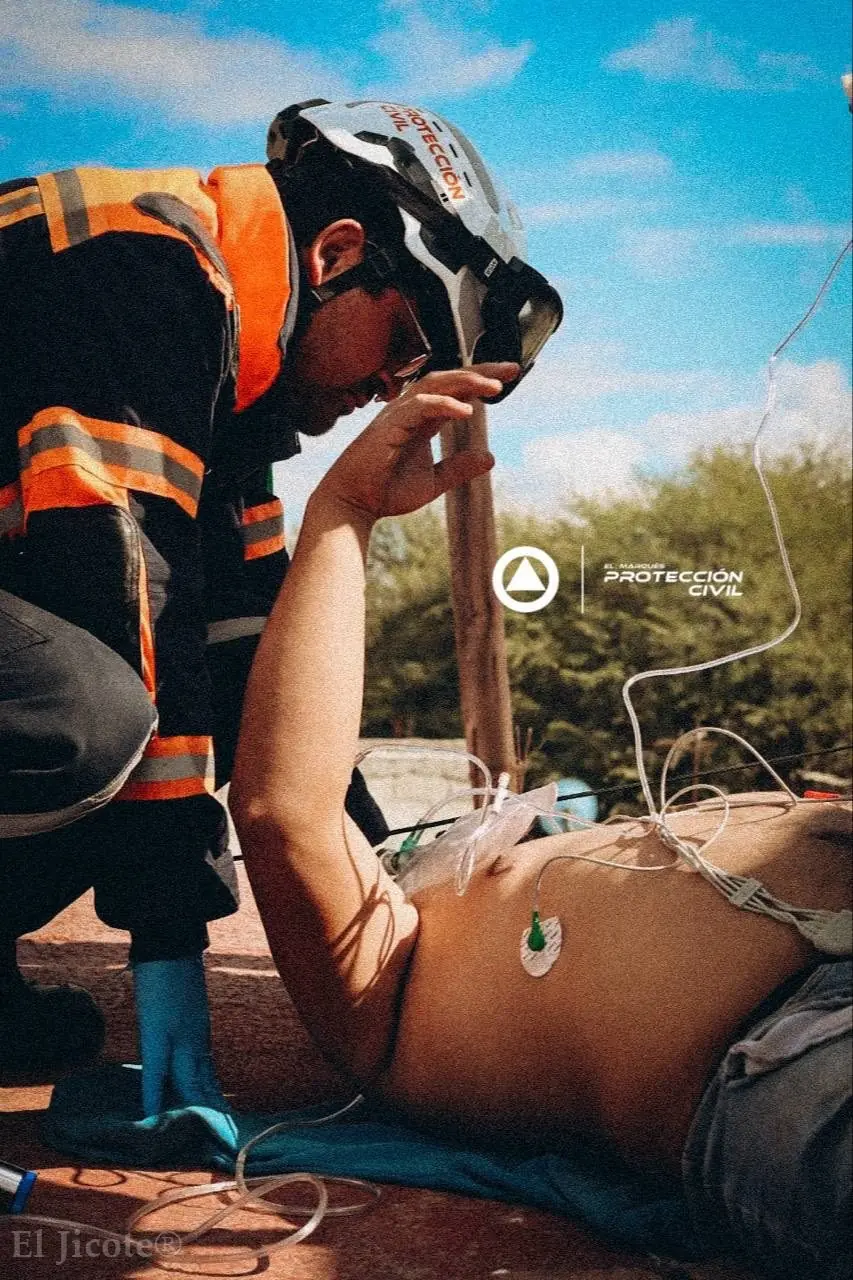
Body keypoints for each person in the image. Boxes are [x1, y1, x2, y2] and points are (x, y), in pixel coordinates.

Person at [0, 100, 563, 1115]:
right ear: (335, 252)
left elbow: (256, 665)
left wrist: (386, 869)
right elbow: (128, 596)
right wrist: (169, 948)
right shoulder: (140, 264)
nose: (392, 386)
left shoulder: (231, 375)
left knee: (129, 707)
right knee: (77, 717)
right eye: (406, 341)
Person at [228, 374, 851, 1280]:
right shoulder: (383, 997)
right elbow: (285, 811)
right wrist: (342, 512)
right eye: (405, 848)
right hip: (793, 1048)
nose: (459, 835)